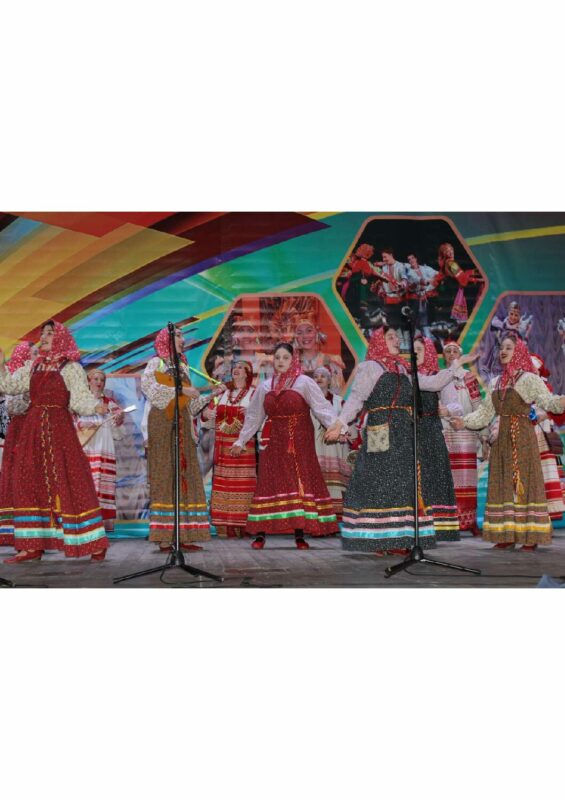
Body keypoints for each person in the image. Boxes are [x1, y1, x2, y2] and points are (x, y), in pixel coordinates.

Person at [325, 327, 473, 555]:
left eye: (397, 336)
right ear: (379, 341)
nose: (397, 340)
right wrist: (340, 423)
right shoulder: (370, 367)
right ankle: (378, 539)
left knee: (403, 484)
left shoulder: (403, 368)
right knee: (380, 481)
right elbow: (356, 399)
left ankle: (399, 537)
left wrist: (455, 366)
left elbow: (433, 384)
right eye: (390, 337)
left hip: (404, 432)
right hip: (380, 429)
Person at [0, 321, 110, 563]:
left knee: (73, 480)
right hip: (33, 429)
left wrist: (96, 406)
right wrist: (1, 364)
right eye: (42, 334)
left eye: (50, 333)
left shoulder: (71, 368)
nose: (44, 337)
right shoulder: (33, 365)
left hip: (59, 428)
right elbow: (8, 386)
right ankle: (31, 544)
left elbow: (79, 400)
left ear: (60, 337)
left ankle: (94, 542)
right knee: (26, 481)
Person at [450, 334, 565, 551]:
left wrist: (561, 401)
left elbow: (549, 402)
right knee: (502, 484)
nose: (503, 351)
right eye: (502, 347)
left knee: (524, 483)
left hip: (523, 437)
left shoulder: (529, 379)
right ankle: (506, 534)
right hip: (502, 440)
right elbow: (484, 414)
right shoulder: (496, 382)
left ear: (518, 351)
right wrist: (463, 421)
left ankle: (530, 537)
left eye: (509, 348)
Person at [230, 342, 339, 550]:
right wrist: (240, 440)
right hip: (274, 441)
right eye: (277, 357)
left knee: (297, 483)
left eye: (285, 358)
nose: (281, 361)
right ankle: (260, 534)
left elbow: (321, 407)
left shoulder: (304, 382)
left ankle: (299, 535)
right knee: (269, 482)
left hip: (299, 440)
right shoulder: (265, 386)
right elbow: (254, 416)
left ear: (293, 359)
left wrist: (337, 428)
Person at [141, 326, 220, 552]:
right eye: (177, 335)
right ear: (166, 339)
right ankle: (165, 538)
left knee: (185, 475)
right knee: (166, 477)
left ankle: (184, 535)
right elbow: (149, 388)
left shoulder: (183, 366)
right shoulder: (156, 363)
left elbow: (191, 406)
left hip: (183, 424)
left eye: (182, 335)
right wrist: (181, 391)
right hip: (163, 423)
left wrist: (211, 395)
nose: (182, 339)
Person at [201, 360, 257, 538]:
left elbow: (261, 417)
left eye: (241, 367)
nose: (236, 370)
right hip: (223, 448)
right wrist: (206, 414)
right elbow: (205, 415)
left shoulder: (254, 393)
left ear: (248, 373)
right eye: (234, 367)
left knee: (243, 484)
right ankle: (226, 526)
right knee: (224, 484)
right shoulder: (223, 393)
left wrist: (251, 414)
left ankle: (244, 525)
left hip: (243, 447)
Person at [413, 336, 460, 541]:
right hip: (410, 432)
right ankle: (413, 526)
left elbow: (456, 405)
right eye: (413, 350)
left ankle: (435, 527)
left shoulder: (438, 376)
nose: (415, 354)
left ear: (429, 352)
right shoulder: (406, 376)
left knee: (432, 478)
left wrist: (446, 411)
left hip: (431, 431)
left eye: (419, 350)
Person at [440, 340, 486, 535]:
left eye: (454, 351)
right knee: (447, 479)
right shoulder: (440, 377)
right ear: (444, 356)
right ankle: (449, 523)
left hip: (466, 434)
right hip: (446, 433)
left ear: (460, 355)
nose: (451, 354)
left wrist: (484, 435)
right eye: (448, 351)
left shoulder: (468, 377)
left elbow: (478, 406)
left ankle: (470, 521)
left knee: (468, 480)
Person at [75, 368, 125, 533]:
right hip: (86, 444)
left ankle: (104, 520)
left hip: (103, 444)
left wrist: (118, 418)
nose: (99, 382)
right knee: (86, 480)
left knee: (103, 479)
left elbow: (118, 428)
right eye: (95, 379)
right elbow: (70, 420)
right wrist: (82, 424)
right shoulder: (80, 400)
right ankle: (85, 520)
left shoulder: (109, 402)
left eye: (102, 380)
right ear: (88, 381)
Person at [0, 342, 37, 547]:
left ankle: (37, 532)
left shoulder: (40, 372)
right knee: (19, 477)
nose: (37, 356)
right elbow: (12, 406)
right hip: (20, 430)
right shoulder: (16, 375)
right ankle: (19, 532)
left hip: (34, 427)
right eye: (33, 353)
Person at [311, 366, 352, 520]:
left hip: (335, 449)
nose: (319, 378)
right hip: (315, 447)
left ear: (329, 381)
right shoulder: (307, 402)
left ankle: (337, 515)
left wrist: (345, 434)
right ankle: (319, 516)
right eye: (316, 376)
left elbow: (348, 424)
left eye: (323, 376)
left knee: (336, 480)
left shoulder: (339, 402)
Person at [529, 353, 565, 520]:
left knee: (547, 472)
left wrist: (545, 415)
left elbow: (555, 409)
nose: (533, 373)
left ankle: (547, 514)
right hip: (525, 435)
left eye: (535, 370)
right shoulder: (519, 388)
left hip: (543, 435)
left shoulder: (546, 388)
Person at [294, 314, 345, 394]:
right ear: (296, 338)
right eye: (300, 333)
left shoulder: (332, 361)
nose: (305, 336)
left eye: (309, 331)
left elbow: (338, 394)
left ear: (317, 333)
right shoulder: (291, 364)